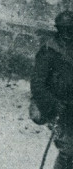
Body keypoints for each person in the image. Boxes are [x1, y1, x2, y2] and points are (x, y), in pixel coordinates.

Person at [31, 10, 73, 169]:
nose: (69, 33)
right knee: (68, 150)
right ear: (58, 29)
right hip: (57, 106)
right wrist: (54, 103)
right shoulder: (49, 51)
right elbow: (37, 85)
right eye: (65, 29)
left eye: (71, 29)